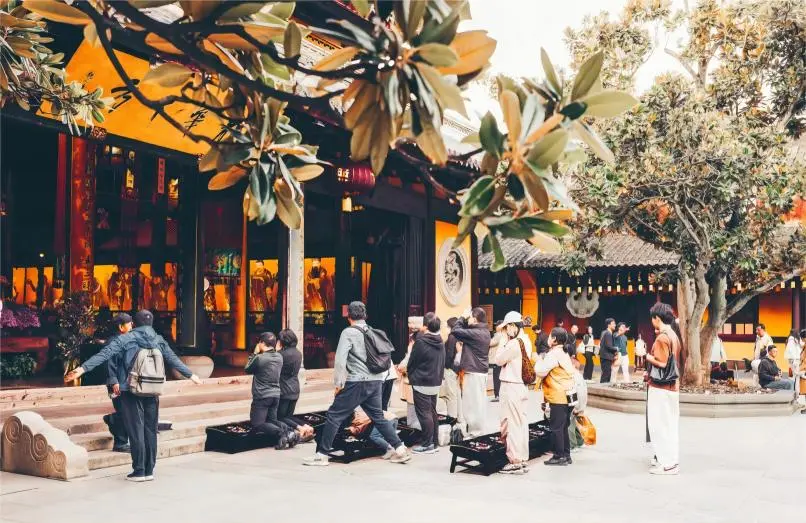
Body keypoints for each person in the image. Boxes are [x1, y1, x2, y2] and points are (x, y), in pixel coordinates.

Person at [64, 310, 202, 482]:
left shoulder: (127, 338)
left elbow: (105, 354)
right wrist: (191, 375)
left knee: (136, 430)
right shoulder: (158, 339)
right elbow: (172, 358)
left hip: (131, 390)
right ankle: (149, 470)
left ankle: (139, 471)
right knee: (150, 430)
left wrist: (82, 369)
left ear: (134, 324)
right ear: (151, 323)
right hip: (153, 389)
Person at [304, 301, 410, 466]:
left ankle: (321, 455)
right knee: (378, 417)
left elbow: (340, 361)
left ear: (348, 316)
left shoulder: (348, 332)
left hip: (357, 381)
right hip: (375, 381)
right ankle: (401, 449)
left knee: (334, 415)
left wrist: (338, 384)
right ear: (365, 315)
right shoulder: (372, 330)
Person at [645, 302, 681, 475]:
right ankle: (671, 461)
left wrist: (646, 356)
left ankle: (666, 463)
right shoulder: (673, 335)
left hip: (660, 387)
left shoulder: (662, 338)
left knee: (658, 425)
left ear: (657, 318)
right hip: (673, 387)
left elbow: (662, 363)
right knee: (670, 425)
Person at [246, 332, 298, 450]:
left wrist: (254, 353)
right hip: (275, 395)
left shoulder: (260, 358)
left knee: (257, 424)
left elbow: (247, 368)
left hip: (262, 395)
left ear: (262, 343)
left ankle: (283, 433)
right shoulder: (279, 357)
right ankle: (290, 432)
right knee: (272, 420)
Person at [495, 311, 531, 474]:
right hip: (521, 387)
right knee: (521, 423)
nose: (505, 331)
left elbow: (498, 360)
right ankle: (522, 458)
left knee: (511, 423)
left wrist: (503, 340)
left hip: (511, 386)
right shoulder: (526, 340)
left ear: (512, 326)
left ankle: (515, 460)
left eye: (506, 328)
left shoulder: (513, 343)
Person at [535, 327, 576, 466]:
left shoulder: (553, 354)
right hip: (568, 394)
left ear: (554, 339)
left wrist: (539, 359)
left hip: (559, 395)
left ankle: (559, 456)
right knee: (563, 426)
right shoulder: (563, 352)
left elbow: (540, 371)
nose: (548, 338)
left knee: (556, 427)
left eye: (550, 335)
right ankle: (566, 455)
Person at [406, 312, 446, 454]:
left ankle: (427, 443)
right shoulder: (440, 341)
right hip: (435, 381)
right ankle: (434, 442)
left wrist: (411, 375)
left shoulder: (421, 342)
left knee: (424, 413)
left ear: (425, 326)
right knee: (432, 412)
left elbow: (412, 362)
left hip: (422, 381)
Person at [452, 307, 492, 438]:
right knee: (474, 404)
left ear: (474, 319)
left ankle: (476, 433)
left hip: (474, 372)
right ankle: (474, 431)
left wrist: (462, 317)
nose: (468, 319)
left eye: (470, 317)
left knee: (474, 405)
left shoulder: (477, 333)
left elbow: (455, 331)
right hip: (477, 371)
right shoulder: (482, 331)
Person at [276, 329, 314, 442]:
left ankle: (300, 428)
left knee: (281, 417)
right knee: (289, 416)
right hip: (295, 388)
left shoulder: (280, 355)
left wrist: (277, 350)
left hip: (284, 389)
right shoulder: (298, 353)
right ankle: (307, 427)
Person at [105, 313, 133, 453]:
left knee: (126, 411)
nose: (131, 326)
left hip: (126, 382)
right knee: (123, 411)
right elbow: (110, 363)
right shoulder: (113, 342)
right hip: (117, 382)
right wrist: (113, 381)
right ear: (121, 327)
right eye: (129, 323)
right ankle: (120, 443)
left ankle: (111, 420)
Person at [441, 317, 461, 420]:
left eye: (446, 326)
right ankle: (458, 416)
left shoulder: (452, 337)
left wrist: (446, 366)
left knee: (451, 395)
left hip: (451, 369)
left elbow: (449, 354)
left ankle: (452, 417)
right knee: (456, 393)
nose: (445, 328)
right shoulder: (459, 336)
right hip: (456, 368)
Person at [569, 357, 588, 452]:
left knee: (569, 424)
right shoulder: (580, 376)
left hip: (574, 405)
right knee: (574, 424)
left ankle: (572, 445)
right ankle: (580, 442)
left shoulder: (573, 377)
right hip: (580, 404)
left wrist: (574, 406)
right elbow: (584, 392)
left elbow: (575, 392)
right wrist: (582, 406)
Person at [489, 320, 505, 402]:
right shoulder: (504, 335)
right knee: (500, 377)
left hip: (496, 359)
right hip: (501, 359)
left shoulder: (499, 335)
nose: (495, 327)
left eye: (496, 325)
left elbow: (490, 343)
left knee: (496, 378)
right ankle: (500, 395)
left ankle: (497, 395)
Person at [599, 318, 618, 383]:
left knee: (606, 374)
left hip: (605, 357)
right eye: (613, 324)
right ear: (608, 325)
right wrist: (616, 349)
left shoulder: (606, 333)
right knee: (606, 376)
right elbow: (609, 346)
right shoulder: (608, 333)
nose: (615, 325)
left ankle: (603, 390)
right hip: (606, 357)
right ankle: (602, 391)